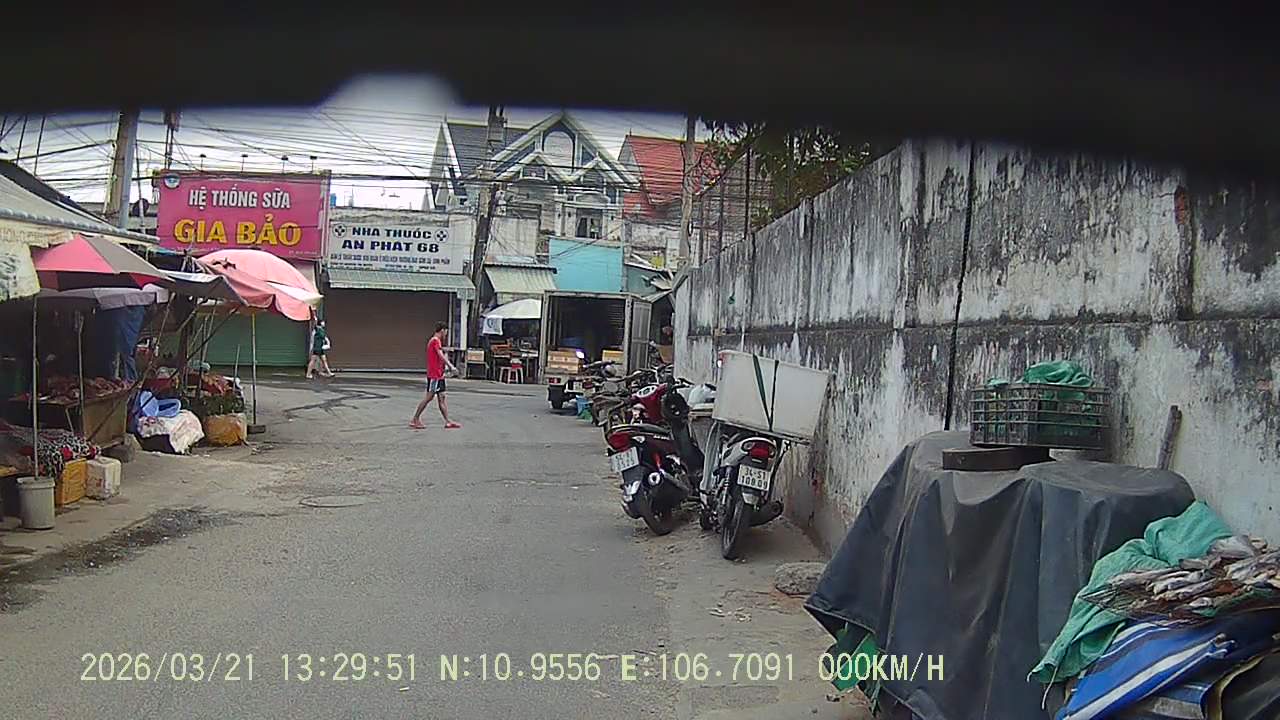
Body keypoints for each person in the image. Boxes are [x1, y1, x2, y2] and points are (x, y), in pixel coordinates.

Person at [410, 322, 461, 429]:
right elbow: (440, 355)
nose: (446, 334)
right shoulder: (435, 340)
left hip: (439, 374)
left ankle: (448, 421)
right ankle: (415, 419)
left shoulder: (436, 342)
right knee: (429, 397)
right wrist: (451, 366)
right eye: (446, 331)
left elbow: (439, 352)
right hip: (434, 375)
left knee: (442, 397)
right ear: (442, 330)